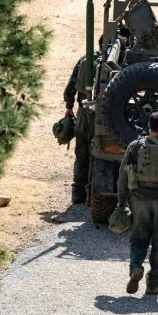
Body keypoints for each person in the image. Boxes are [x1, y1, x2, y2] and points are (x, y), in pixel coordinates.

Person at [117, 110, 158, 295]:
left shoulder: (135, 146)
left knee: (138, 238)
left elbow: (123, 175)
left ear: (148, 125)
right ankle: (153, 284)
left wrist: (121, 200)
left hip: (139, 201)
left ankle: (136, 267)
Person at [63, 55, 95, 205]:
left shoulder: (85, 59)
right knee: (96, 155)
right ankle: (91, 195)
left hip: (82, 112)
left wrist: (69, 107)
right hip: (101, 116)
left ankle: (77, 194)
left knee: (81, 153)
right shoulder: (118, 59)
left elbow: (71, 86)